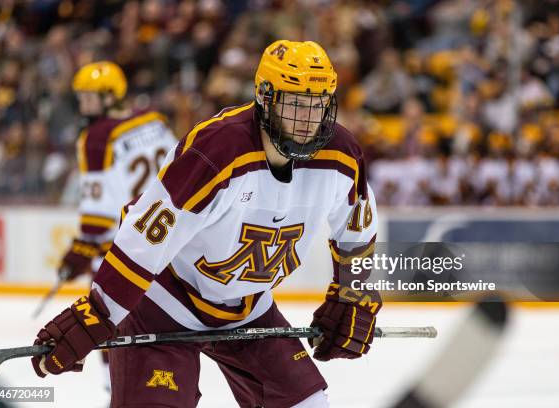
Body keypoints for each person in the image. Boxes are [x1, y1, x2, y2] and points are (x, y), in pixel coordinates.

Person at [32, 41, 381, 408]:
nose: (309, 119)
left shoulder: (341, 153)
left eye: (318, 103)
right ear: (265, 97)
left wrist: (351, 293)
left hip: (249, 308)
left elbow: (357, 233)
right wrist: (99, 313)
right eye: (295, 102)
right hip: (165, 301)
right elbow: (146, 237)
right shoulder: (218, 149)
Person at [58, 61, 178, 283]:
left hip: (125, 247)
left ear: (109, 97)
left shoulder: (96, 137)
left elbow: (98, 213)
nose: (82, 105)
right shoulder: (155, 119)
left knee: (108, 314)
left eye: (88, 98)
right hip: (168, 235)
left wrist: (82, 249)